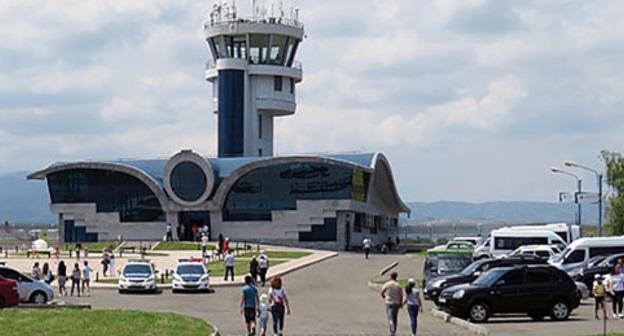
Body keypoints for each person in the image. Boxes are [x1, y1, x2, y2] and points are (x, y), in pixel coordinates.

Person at [380, 272, 403, 336]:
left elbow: (382, 292)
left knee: (390, 318)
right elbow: (401, 295)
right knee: (395, 317)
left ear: (390, 277)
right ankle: (394, 330)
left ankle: (392, 331)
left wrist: (384, 297)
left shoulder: (387, 284)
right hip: (396, 303)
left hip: (389, 302)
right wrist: (401, 303)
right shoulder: (398, 285)